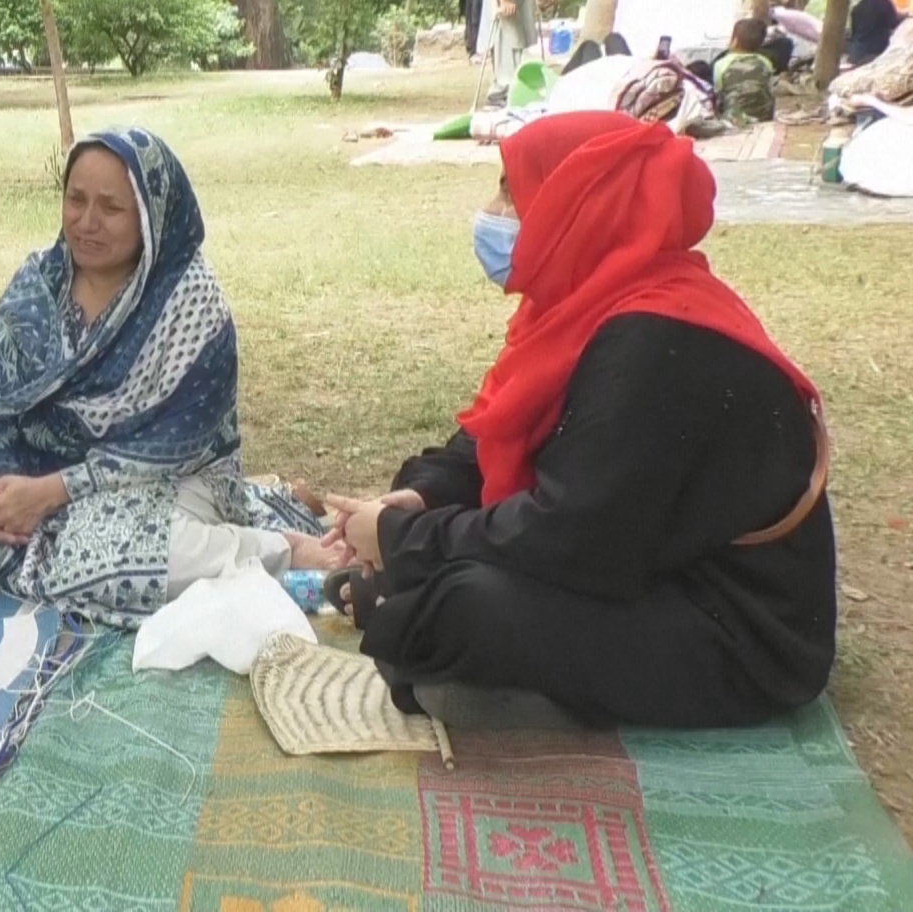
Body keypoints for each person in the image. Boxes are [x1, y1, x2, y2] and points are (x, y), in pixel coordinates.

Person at [322, 112, 834, 730]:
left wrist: (406, 540)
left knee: (468, 606)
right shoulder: (593, 303)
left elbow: (567, 540)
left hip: (739, 632)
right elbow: (492, 435)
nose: (493, 212)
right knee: (449, 581)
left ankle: (403, 607)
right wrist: (420, 495)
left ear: (574, 203)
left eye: (511, 191)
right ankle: (403, 599)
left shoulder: (655, 339)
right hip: (646, 563)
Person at [0, 128, 332, 628]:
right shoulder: (37, 285)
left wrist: (53, 493)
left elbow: (173, 449)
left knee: (166, 552)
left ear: (150, 215)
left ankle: (277, 551)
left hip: (166, 489)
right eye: (75, 200)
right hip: (32, 486)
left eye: (111, 209)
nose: (86, 222)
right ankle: (69, 561)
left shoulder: (192, 302)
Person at [713, 17, 777, 125]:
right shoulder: (765, 62)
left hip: (733, 118)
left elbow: (718, 90)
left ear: (735, 40)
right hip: (764, 116)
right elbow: (769, 88)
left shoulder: (721, 64)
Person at [848, 0, 905, 67]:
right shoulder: (884, 3)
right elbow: (893, 23)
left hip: (856, 55)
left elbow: (854, 34)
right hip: (875, 55)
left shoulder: (856, 9)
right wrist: (905, 17)